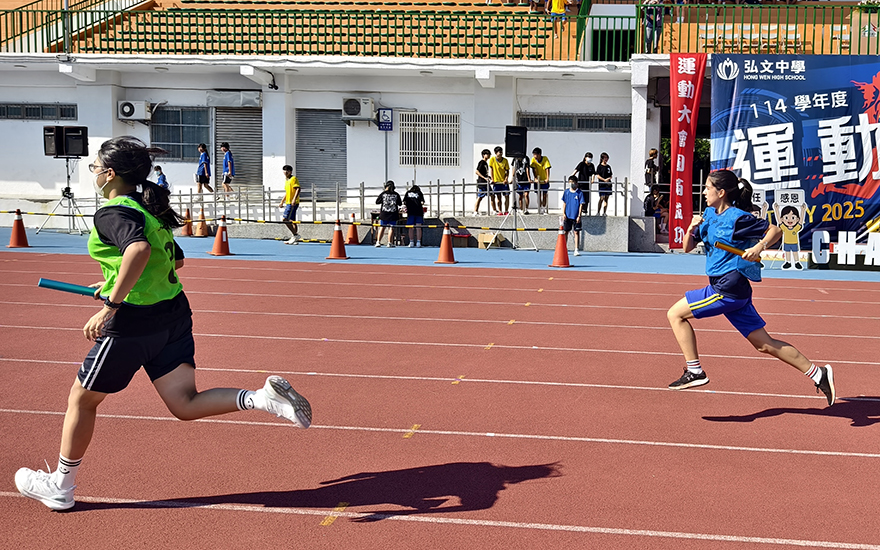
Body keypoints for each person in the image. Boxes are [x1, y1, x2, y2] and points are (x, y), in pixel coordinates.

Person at [13, 137, 312, 512]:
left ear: (110, 174)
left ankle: (61, 486)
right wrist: (113, 280)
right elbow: (173, 261)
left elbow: (138, 251)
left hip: (133, 322)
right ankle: (261, 398)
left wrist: (111, 304)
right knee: (184, 403)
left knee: (82, 400)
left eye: (94, 167)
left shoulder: (113, 212)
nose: (93, 173)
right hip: (173, 315)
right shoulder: (149, 208)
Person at [665, 169, 835, 407]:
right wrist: (692, 228)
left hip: (727, 288)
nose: (703, 192)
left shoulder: (738, 218)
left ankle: (695, 371)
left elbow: (775, 230)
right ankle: (818, 373)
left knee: (675, 314)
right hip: (733, 290)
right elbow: (687, 247)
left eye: (707, 188)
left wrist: (758, 247)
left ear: (721, 192)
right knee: (764, 344)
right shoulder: (709, 214)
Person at [562, 175, 585, 256]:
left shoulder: (579, 193)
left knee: (576, 232)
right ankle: (564, 248)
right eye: (570, 182)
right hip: (568, 215)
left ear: (576, 183)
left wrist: (579, 215)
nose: (571, 184)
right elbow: (564, 203)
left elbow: (581, 205)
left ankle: (576, 249)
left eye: (573, 182)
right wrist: (563, 213)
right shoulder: (566, 192)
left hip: (575, 216)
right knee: (566, 232)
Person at [279, 165, 301, 245]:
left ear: (291, 171)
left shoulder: (293, 179)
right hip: (288, 202)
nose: (286, 172)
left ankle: (295, 235)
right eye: (284, 170)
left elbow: (298, 189)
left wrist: (294, 199)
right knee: (292, 221)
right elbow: (287, 192)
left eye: (287, 170)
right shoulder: (287, 180)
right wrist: (282, 201)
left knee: (285, 219)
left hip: (292, 203)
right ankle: (294, 238)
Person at [375, 180, 402, 247]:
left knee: (382, 227)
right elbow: (400, 203)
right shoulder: (396, 194)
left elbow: (377, 202)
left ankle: (378, 242)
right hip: (393, 214)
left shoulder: (383, 194)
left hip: (384, 213)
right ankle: (389, 242)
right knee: (391, 228)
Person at [570, 152, 595, 217]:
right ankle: (578, 211)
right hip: (580, 184)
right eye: (588, 157)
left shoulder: (592, 165)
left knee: (586, 198)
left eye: (591, 157)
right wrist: (571, 178)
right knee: (580, 197)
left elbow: (593, 173)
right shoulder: (582, 164)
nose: (590, 159)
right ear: (585, 158)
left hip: (587, 184)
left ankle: (585, 210)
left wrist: (592, 179)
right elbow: (576, 170)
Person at [489, 146, 510, 215]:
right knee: (498, 197)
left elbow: (507, 171)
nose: (501, 153)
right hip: (496, 182)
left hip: (504, 182)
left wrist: (506, 179)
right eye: (499, 152)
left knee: (507, 196)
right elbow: (491, 170)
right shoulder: (492, 159)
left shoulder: (505, 160)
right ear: (496, 153)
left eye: (501, 152)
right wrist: (492, 179)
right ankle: (500, 211)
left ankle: (506, 210)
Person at [530, 147, 552, 214]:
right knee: (538, 195)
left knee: (544, 195)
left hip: (544, 180)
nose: (534, 156)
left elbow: (547, 168)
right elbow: (533, 169)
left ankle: (544, 208)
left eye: (535, 155)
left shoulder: (545, 159)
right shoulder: (533, 160)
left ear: (539, 154)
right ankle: (539, 208)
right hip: (538, 181)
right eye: (533, 155)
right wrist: (535, 178)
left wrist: (547, 178)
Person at [404, 182, 425, 248]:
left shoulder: (407, 193)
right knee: (418, 228)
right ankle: (418, 242)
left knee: (411, 228)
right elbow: (422, 202)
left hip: (410, 212)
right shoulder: (419, 193)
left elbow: (404, 202)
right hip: (418, 212)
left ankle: (411, 242)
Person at [594, 152, 612, 216]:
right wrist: (604, 180)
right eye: (605, 158)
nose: (606, 159)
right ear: (602, 158)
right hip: (602, 185)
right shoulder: (599, 166)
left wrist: (608, 179)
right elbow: (597, 175)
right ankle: (598, 212)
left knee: (606, 199)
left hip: (608, 185)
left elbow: (610, 175)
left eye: (607, 158)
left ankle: (604, 212)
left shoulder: (608, 166)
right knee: (602, 198)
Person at [474, 149, 491, 215]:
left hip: (486, 182)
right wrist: (484, 178)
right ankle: (475, 211)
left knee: (492, 195)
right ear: (483, 155)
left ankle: (495, 210)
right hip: (482, 182)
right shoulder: (481, 162)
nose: (489, 155)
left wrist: (488, 177)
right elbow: (477, 171)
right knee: (480, 197)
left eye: (489, 154)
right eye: (487, 154)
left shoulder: (485, 163)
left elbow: (484, 173)